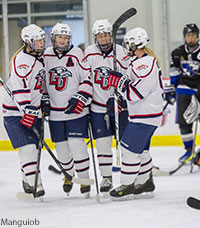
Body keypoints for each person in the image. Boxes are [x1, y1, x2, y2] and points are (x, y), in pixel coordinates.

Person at [95, 27, 163, 200]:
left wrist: (120, 81)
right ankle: (145, 182)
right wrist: (118, 92)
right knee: (139, 150)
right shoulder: (139, 62)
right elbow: (130, 90)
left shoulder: (145, 63)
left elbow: (135, 93)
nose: (126, 47)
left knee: (128, 149)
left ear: (135, 44)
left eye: (129, 44)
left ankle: (127, 185)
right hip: (142, 114)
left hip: (146, 115)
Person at [43, 23, 93, 198]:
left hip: (76, 111)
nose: (63, 41)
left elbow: (88, 77)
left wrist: (80, 96)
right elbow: (40, 81)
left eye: (65, 38)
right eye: (59, 37)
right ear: (53, 38)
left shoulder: (77, 53)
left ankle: (85, 180)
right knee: (62, 150)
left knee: (77, 146)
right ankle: (68, 175)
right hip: (55, 114)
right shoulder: (45, 55)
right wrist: (43, 98)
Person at [84, 19, 130, 194]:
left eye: (105, 35)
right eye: (99, 36)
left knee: (125, 144)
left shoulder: (121, 52)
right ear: (95, 37)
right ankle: (106, 178)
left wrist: (119, 95)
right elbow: (84, 77)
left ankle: (128, 177)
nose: (103, 39)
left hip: (119, 107)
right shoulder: (88, 52)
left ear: (110, 35)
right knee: (102, 144)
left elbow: (128, 78)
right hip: (97, 108)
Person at [2, 24, 46, 198]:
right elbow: (20, 89)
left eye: (43, 40)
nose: (42, 44)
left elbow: (39, 85)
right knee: (28, 149)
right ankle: (37, 183)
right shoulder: (22, 61)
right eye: (38, 41)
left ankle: (27, 180)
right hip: (15, 113)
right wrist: (27, 109)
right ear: (28, 42)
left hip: (32, 111)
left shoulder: (39, 57)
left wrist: (44, 101)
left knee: (33, 148)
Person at [168, 23, 200, 163]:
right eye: (188, 35)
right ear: (185, 37)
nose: (190, 38)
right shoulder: (177, 53)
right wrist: (172, 90)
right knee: (184, 123)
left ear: (197, 36)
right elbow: (174, 73)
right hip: (184, 90)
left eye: (193, 35)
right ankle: (189, 151)